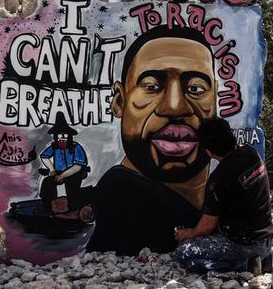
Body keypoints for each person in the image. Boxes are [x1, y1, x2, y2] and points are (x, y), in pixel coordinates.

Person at [86, 26, 217, 255]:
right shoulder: (120, 191)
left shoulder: (223, 188)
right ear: (119, 101)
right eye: (151, 87)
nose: (175, 107)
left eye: (196, 88)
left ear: (215, 103)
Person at [174, 117, 273, 272]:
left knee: (185, 252)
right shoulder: (251, 153)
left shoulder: (219, 179)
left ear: (208, 151)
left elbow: (207, 226)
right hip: (266, 239)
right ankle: (261, 258)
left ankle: (246, 265)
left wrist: (188, 233)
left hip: (245, 245)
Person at [39, 112, 88, 213]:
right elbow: (44, 156)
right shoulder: (54, 146)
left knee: (73, 192)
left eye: (65, 135)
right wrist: (52, 169)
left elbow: (77, 166)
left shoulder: (76, 147)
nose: (62, 137)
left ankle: (73, 210)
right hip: (58, 172)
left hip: (73, 173)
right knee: (47, 183)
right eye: (59, 135)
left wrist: (63, 175)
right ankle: (48, 208)